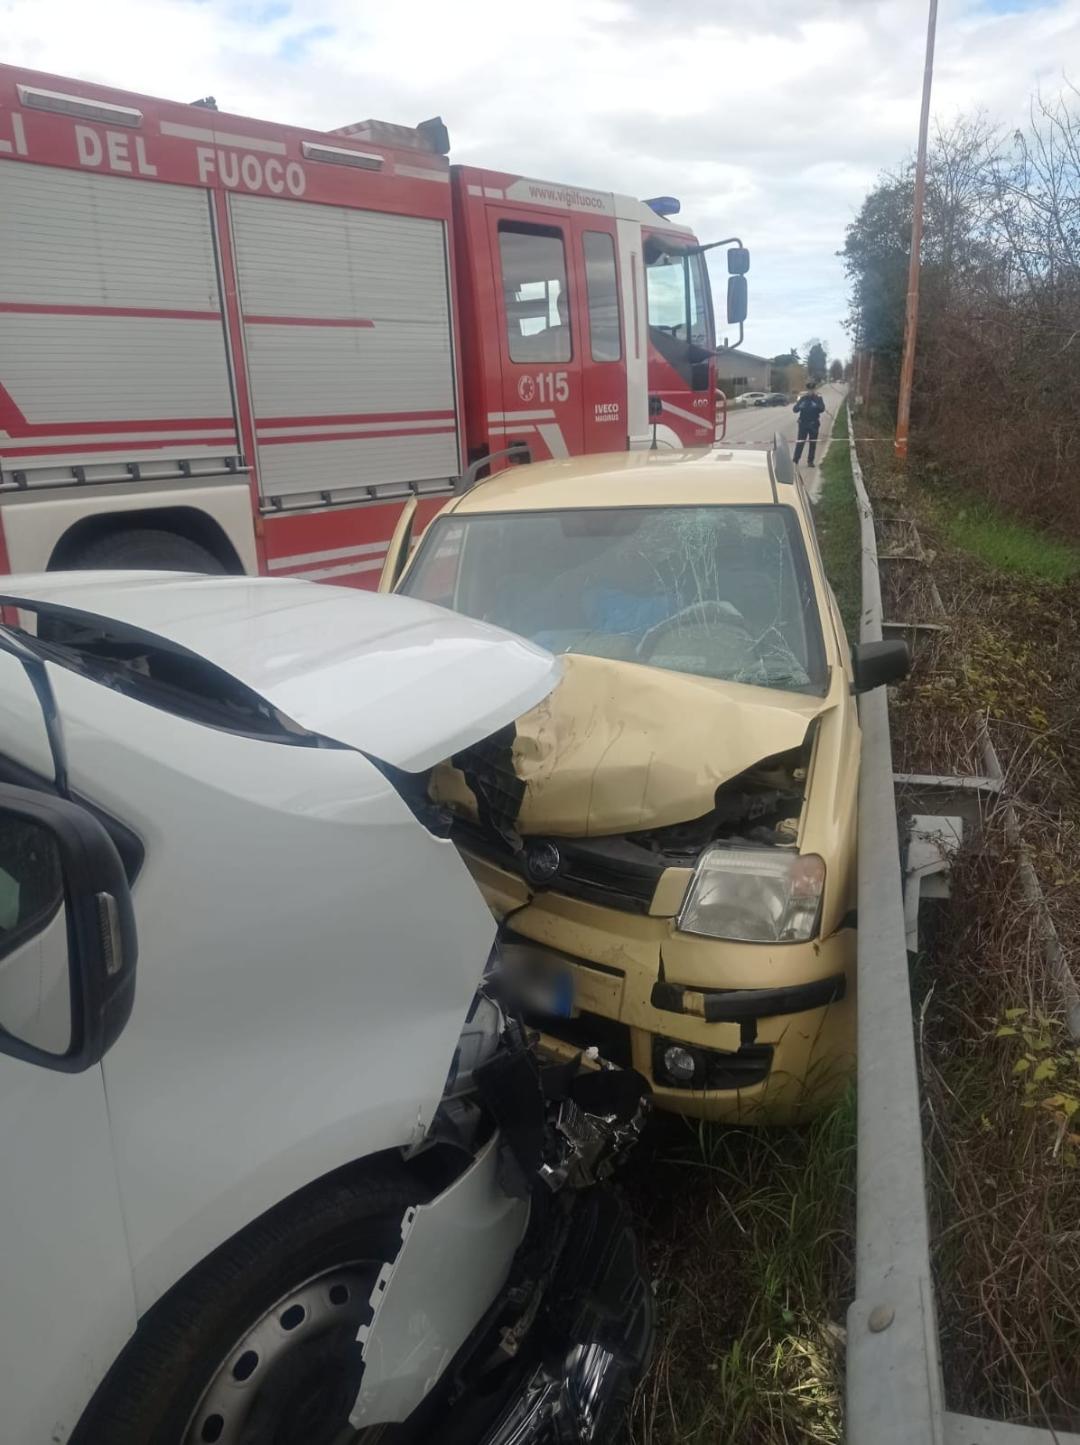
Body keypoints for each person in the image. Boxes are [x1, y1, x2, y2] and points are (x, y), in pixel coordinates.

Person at [792, 382, 826, 466]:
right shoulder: (803, 398)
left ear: (814, 390)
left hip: (814, 423)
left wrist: (816, 406)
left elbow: (822, 409)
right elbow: (795, 409)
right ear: (807, 390)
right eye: (809, 390)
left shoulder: (818, 399)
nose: (811, 391)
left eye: (812, 389)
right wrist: (800, 406)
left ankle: (810, 461)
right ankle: (796, 460)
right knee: (800, 442)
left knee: (813, 443)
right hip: (803, 423)